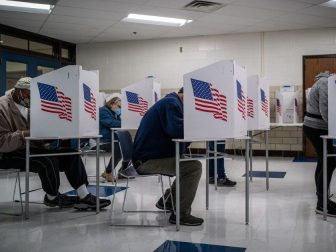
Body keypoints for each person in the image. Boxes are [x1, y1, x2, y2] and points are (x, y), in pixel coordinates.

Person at [0, 77, 111, 210]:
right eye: (30, 95)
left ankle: (84, 195)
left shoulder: (29, 105)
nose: (33, 99)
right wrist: (26, 133)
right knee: (47, 160)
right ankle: (52, 197)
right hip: (8, 153)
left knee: (71, 153)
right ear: (19, 91)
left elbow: (37, 132)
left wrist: (51, 136)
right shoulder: (2, 107)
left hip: (30, 147)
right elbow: (2, 141)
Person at [132, 87, 203, 226]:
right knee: (193, 167)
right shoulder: (171, 103)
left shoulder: (171, 102)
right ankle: (180, 215)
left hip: (149, 156)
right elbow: (178, 131)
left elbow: (180, 137)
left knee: (185, 163)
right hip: (146, 161)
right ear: (185, 95)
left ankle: (167, 201)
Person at [303, 71, 336, 217]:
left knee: (324, 161)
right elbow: (325, 110)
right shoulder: (325, 83)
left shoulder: (326, 82)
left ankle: (322, 200)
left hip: (318, 126)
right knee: (329, 161)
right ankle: (322, 204)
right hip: (315, 127)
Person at [99, 93, 128, 182]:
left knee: (130, 146)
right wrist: (127, 122)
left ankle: (122, 171)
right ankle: (108, 172)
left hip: (111, 140)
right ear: (113, 103)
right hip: (100, 141)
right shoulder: (102, 111)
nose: (120, 109)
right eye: (119, 107)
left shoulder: (114, 113)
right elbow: (111, 124)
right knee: (119, 147)